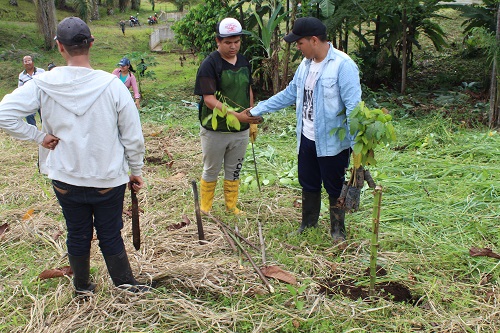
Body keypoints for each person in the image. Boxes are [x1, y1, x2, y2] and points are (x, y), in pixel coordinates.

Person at [0, 17, 148, 295]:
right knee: (109, 234)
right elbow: (132, 136)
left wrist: (39, 136)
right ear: (91, 43)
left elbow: (4, 114)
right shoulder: (112, 85)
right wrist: (136, 169)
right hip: (107, 179)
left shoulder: (42, 84)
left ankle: (82, 286)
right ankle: (126, 285)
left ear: (59, 47)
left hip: (65, 179)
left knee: (77, 233)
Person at [237, 17, 362, 242]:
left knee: (334, 186)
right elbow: (289, 94)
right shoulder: (305, 65)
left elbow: (354, 108)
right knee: (308, 181)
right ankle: (308, 223)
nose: (297, 47)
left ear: (314, 40)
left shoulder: (343, 66)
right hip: (307, 137)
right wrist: (258, 109)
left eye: (299, 42)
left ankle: (337, 230)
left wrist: (357, 149)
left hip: (333, 143)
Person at [194, 17, 260, 215]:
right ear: (218, 41)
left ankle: (231, 206)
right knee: (211, 168)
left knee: (234, 168)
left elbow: (248, 89)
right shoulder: (210, 64)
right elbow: (209, 99)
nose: (233, 47)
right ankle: (205, 207)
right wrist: (235, 116)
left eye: (237, 42)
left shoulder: (244, 62)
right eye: (228, 43)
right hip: (216, 129)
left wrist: (251, 116)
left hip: (240, 129)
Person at [18, 55, 45, 126]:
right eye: (25, 61)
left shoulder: (41, 71)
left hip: (41, 97)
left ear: (33, 62)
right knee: (29, 115)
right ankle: (34, 133)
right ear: (23, 63)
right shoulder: (21, 75)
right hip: (29, 99)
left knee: (45, 116)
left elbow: (47, 83)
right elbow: (20, 89)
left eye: (29, 60)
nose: (27, 63)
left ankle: (46, 133)